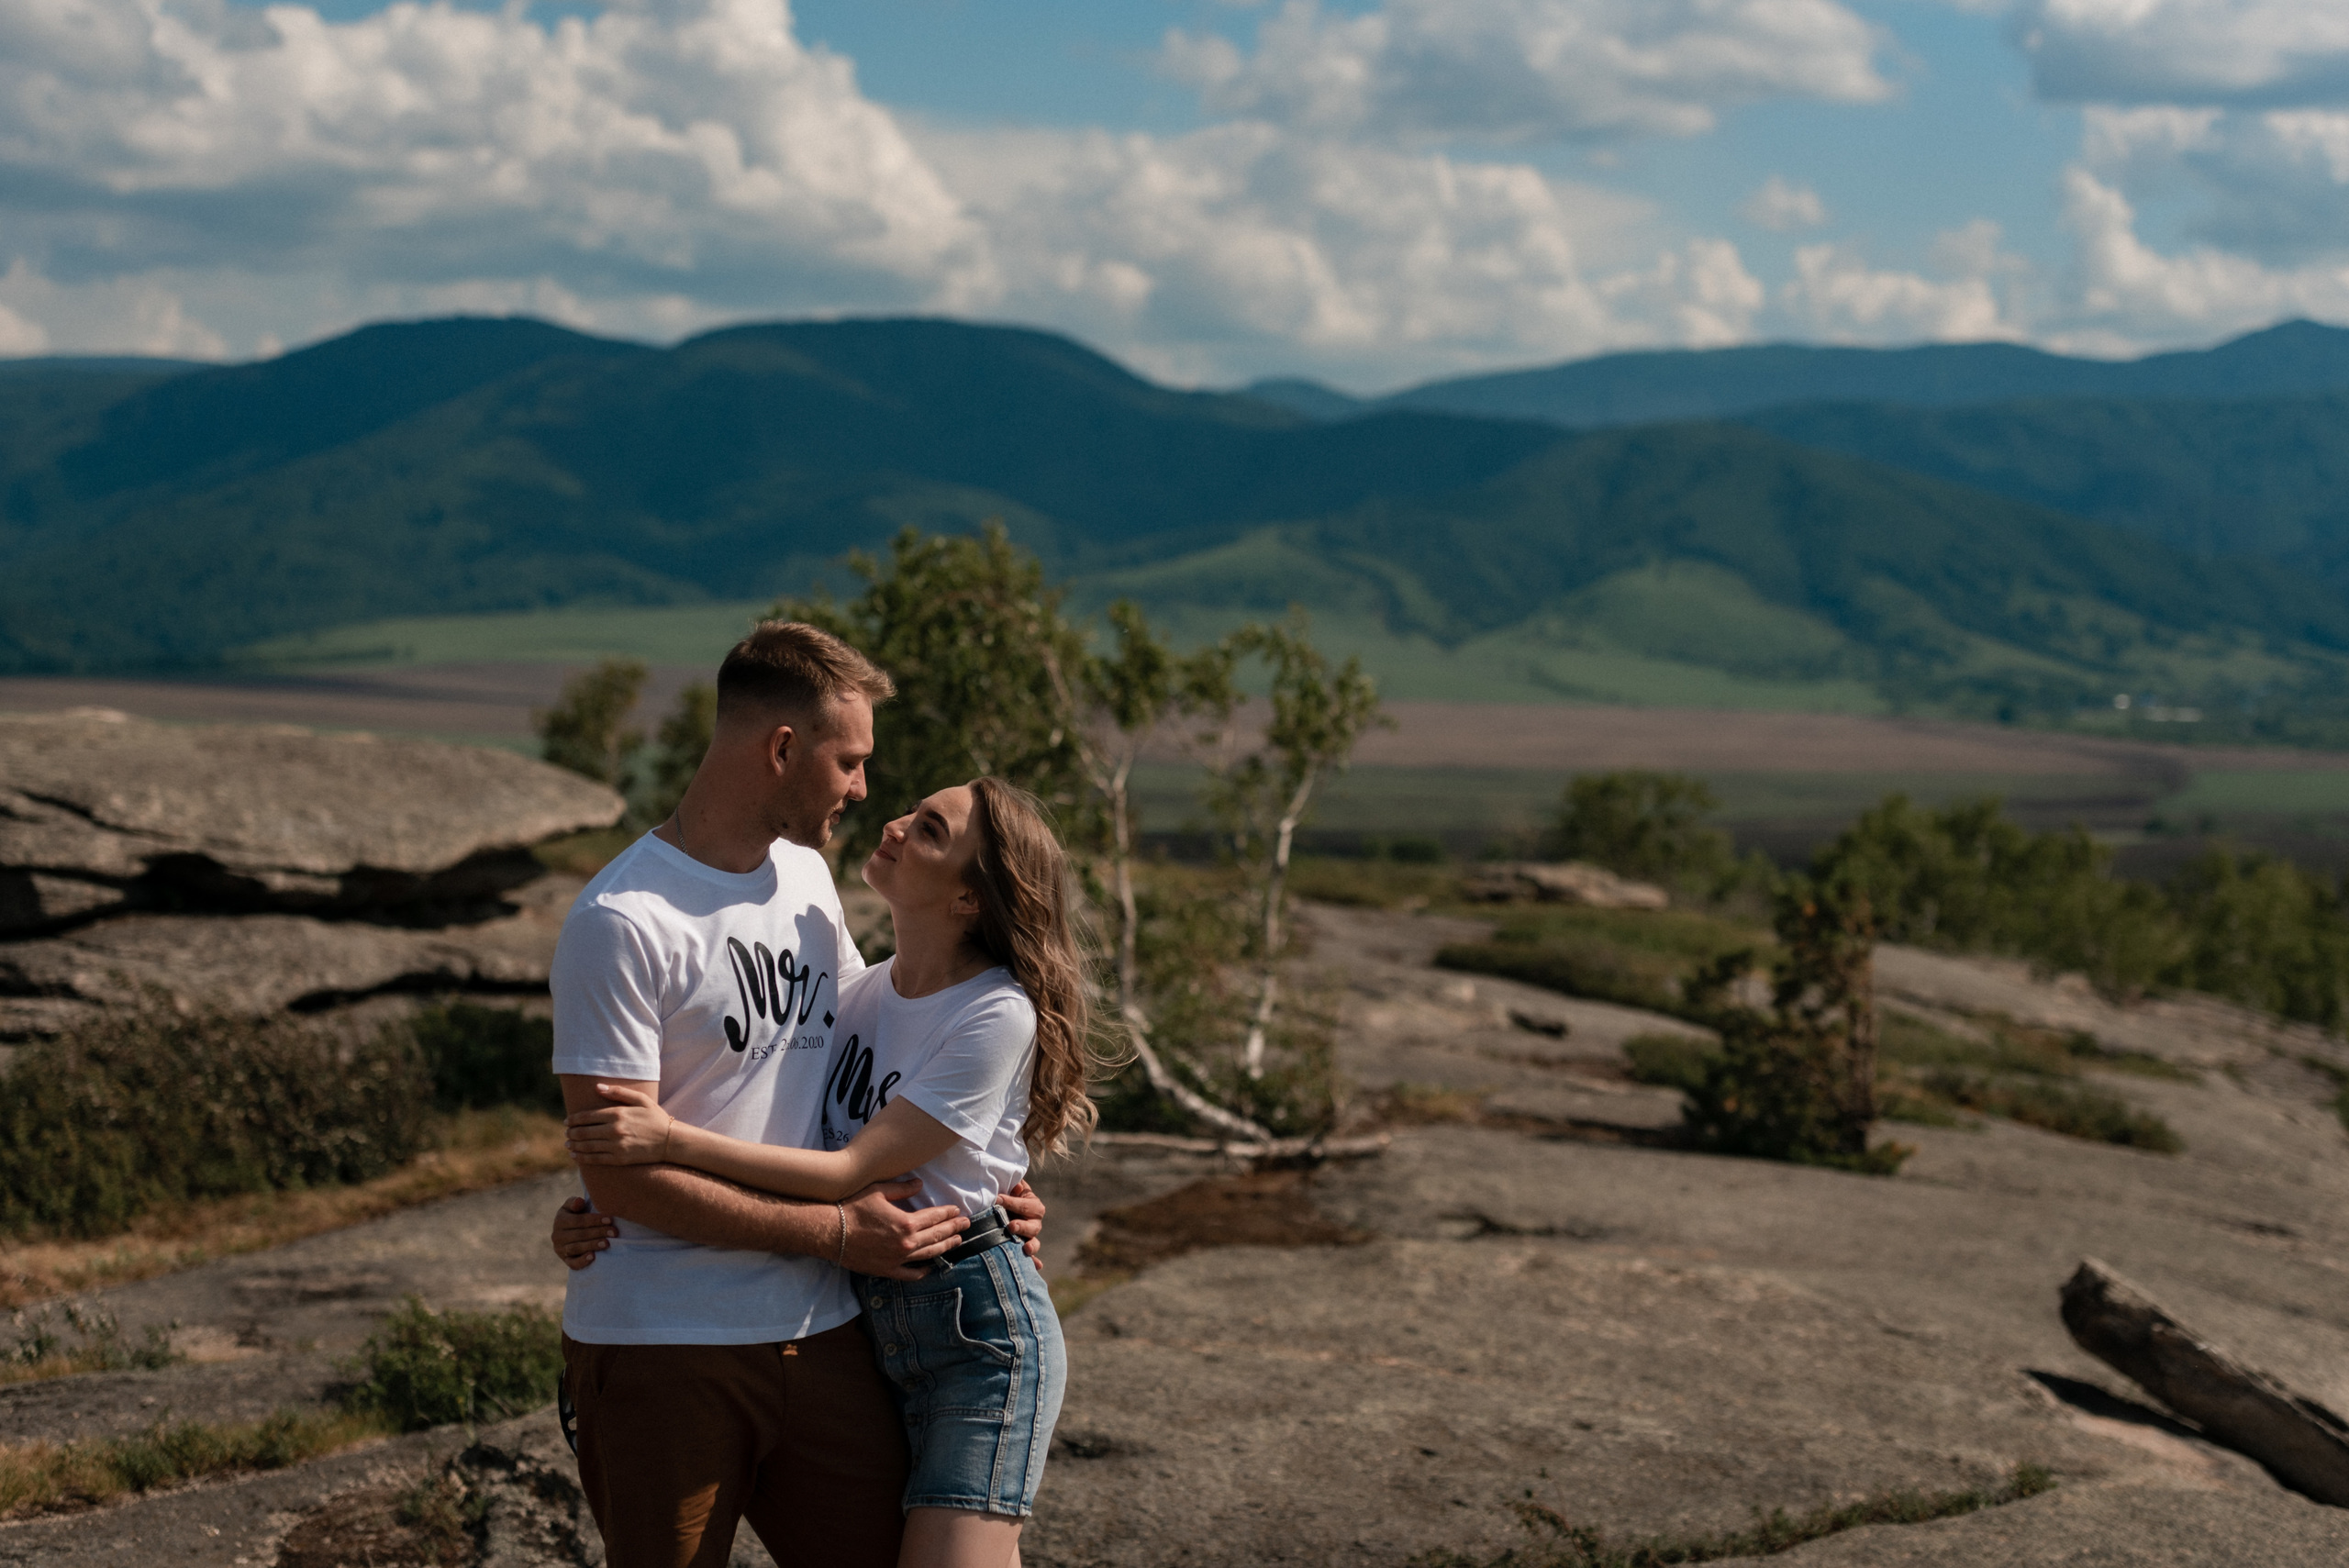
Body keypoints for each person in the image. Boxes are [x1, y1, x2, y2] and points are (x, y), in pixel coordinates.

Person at [542, 621, 1047, 1568]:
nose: (863, 789)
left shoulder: (809, 880)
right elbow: (620, 1175)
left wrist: (986, 1191)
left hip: (829, 1332)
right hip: (664, 1341)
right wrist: (835, 1234)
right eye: (849, 760)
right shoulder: (621, 920)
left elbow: (875, 1043)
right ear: (782, 749)